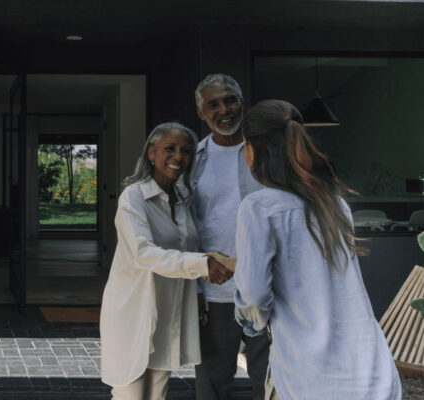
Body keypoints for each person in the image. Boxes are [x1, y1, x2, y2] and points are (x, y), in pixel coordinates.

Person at [233, 99, 401, 399]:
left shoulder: (258, 208)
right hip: (374, 372)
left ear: (251, 148)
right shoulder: (334, 203)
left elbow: (255, 298)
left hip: (309, 378)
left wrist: (251, 325)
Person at [100, 122, 234, 400]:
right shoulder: (133, 197)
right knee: (130, 394)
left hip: (169, 311)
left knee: (157, 395)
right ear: (151, 153)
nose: (178, 157)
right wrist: (203, 264)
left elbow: (189, 245)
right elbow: (143, 253)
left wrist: (197, 292)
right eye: (169, 149)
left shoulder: (184, 198)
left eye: (185, 151)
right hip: (134, 309)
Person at [190, 74, 270, 400]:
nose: (224, 110)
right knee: (211, 388)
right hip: (214, 296)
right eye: (214, 104)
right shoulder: (192, 161)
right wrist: (192, 286)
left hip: (265, 291)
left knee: (272, 386)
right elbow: (185, 231)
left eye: (230, 100)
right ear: (201, 112)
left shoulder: (266, 156)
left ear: (241, 102)